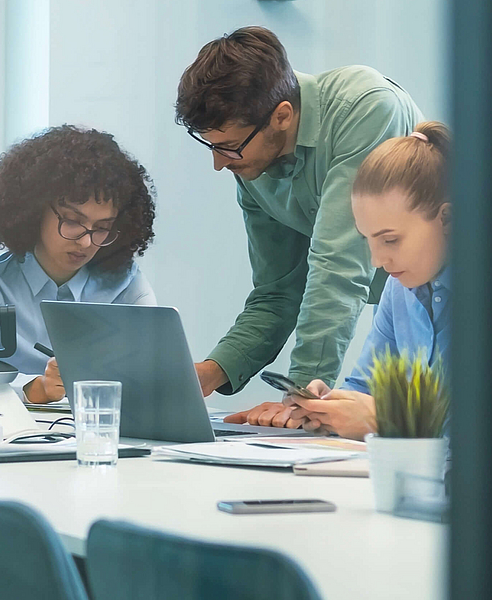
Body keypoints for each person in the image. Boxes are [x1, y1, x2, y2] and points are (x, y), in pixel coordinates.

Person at [176, 26, 424, 405]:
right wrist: (212, 371)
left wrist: (302, 395)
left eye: (229, 148)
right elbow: (278, 292)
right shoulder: (253, 162)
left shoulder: (366, 107)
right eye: (211, 146)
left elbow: (337, 266)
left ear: (282, 115)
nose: (218, 163)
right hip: (398, 308)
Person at [226, 121, 453, 437]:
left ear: (447, 219)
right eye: (367, 239)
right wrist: (329, 406)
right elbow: (366, 390)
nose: (377, 261)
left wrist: (388, 421)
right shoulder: (398, 289)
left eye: (390, 240)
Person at [0, 125, 158, 403]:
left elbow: (154, 374)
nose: (86, 242)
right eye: (73, 221)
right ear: (34, 210)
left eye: (102, 227)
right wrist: (32, 388)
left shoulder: (126, 285)